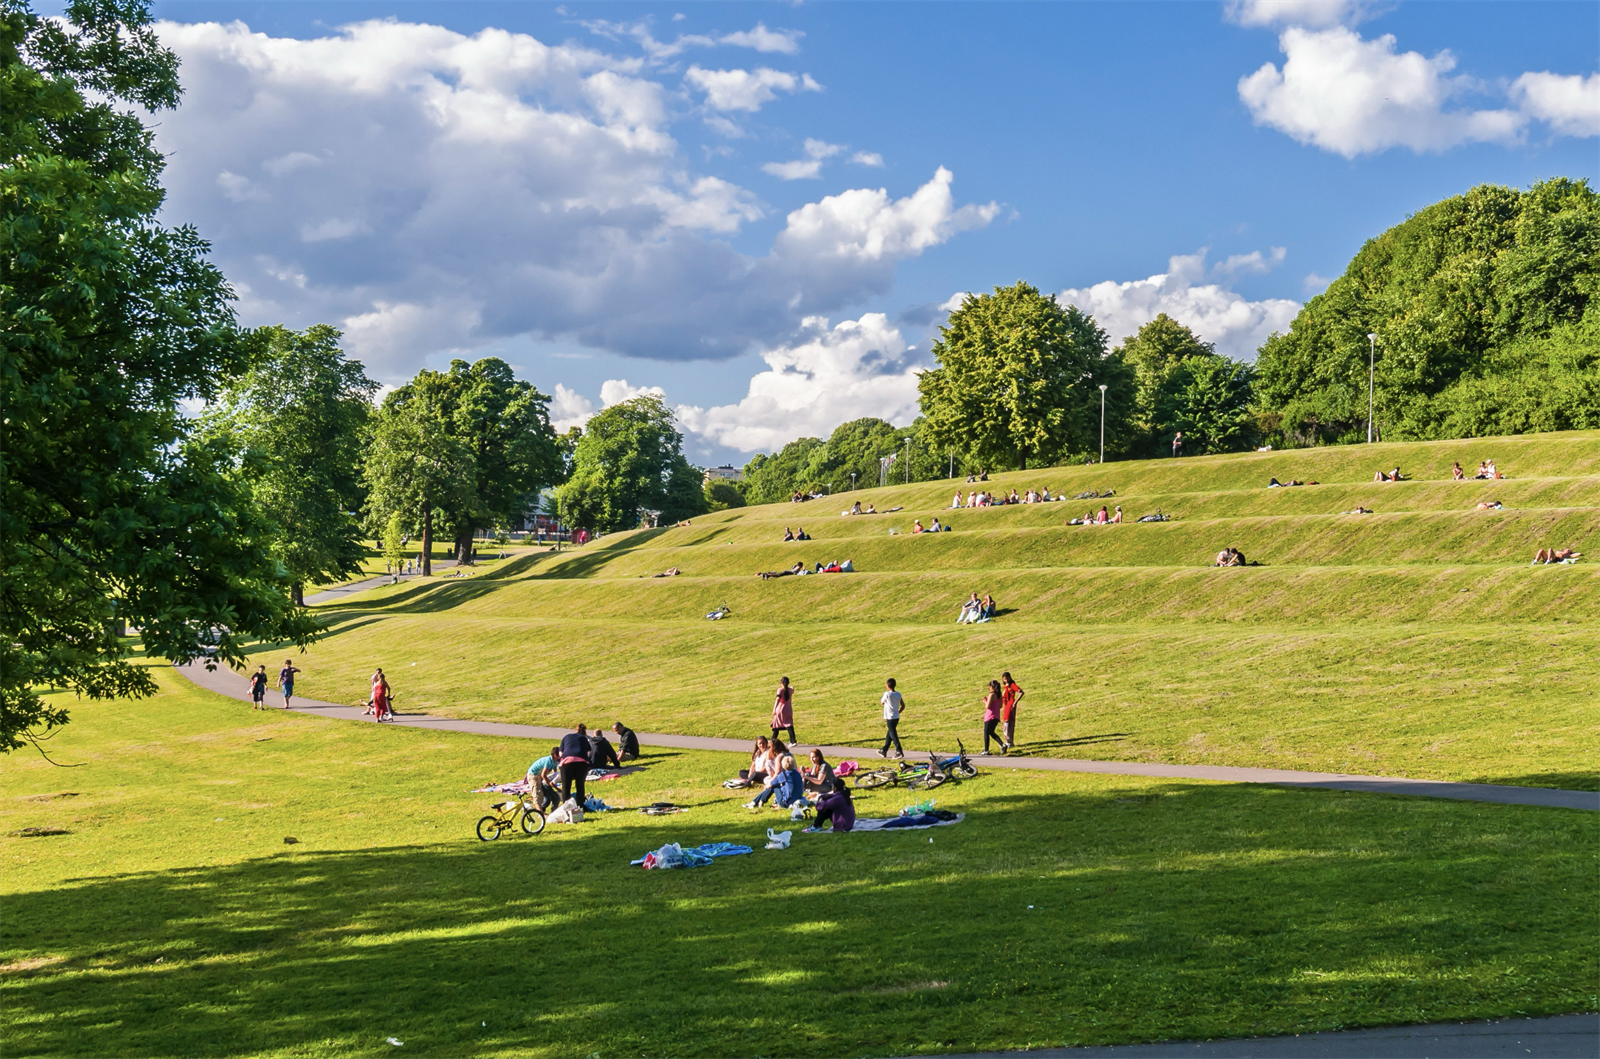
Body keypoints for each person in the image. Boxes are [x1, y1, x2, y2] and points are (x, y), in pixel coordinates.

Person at [557, 724, 592, 807]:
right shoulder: (584, 739)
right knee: (580, 785)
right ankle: (580, 805)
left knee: (566, 786)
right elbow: (588, 753)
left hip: (566, 762)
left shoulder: (566, 737)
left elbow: (560, 752)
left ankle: (566, 806)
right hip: (581, 762)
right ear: (584, 733)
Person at [879, 677, 905, 759]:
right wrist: (898, 712)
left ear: (887, 686)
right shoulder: (898, 694)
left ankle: (899, 751)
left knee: (893, 734)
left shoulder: (887, 694)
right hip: (896, 716)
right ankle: (884, 750)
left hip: (890, 717)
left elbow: (882, 702)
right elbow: (903, 705)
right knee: (890, 733)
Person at [1000, 671, 1024, 751]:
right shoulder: (1005, 686)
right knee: (1008, 723)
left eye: (1006, 679)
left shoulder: (1012, 685)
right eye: (1004, 679)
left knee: (1007, 722)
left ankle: (1008, 740)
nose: (1005, 681)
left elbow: (1021, 692)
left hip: (1010, 705)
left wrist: (1015, 702)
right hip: (1006, 705)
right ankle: (1010, 741)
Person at [771, 676, 797, 745]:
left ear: (780, 682)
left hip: (780, 710)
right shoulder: (790, 690)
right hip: (788, 710)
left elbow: (777, 699)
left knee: (776, 726)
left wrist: (774, 709)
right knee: (789, 725)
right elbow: (792, 688)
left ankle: (772, 740)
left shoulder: (780, 690)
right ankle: (793, 741)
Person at [981, 679, 1004, 754]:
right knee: (991, 732)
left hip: (989, 716)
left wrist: (985, 701)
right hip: (996, 716)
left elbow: (987, 706)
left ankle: (986, 750)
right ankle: (1002, 744)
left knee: (986, 732)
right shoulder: (999, 694)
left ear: (991, 686)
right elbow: (1000, 705)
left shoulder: (991, 695)